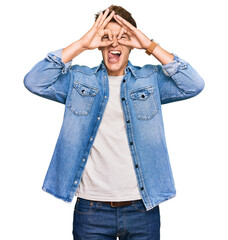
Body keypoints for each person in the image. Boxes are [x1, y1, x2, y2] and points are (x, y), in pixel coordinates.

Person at [23, 5, 205, 240]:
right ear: (98, 43)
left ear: (132, 43)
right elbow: (35, 81)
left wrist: (149, 45)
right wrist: (81, 44)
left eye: (123, 38)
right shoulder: (79, 79)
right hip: (91, 211)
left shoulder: (150, 80)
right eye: (105, 37)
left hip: (143, 208)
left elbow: (193, 84)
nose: (114, 44)